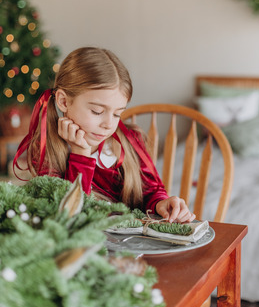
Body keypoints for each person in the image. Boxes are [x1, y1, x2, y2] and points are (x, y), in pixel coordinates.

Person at [13, 46, 195, 223]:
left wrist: (161, 202)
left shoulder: (129, 140)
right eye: (97, 111)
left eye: (117, 113)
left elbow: (150, 191)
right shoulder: (47, 148)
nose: (109, 124)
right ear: (63, 101)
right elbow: (67, 216)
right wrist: (80, 155)